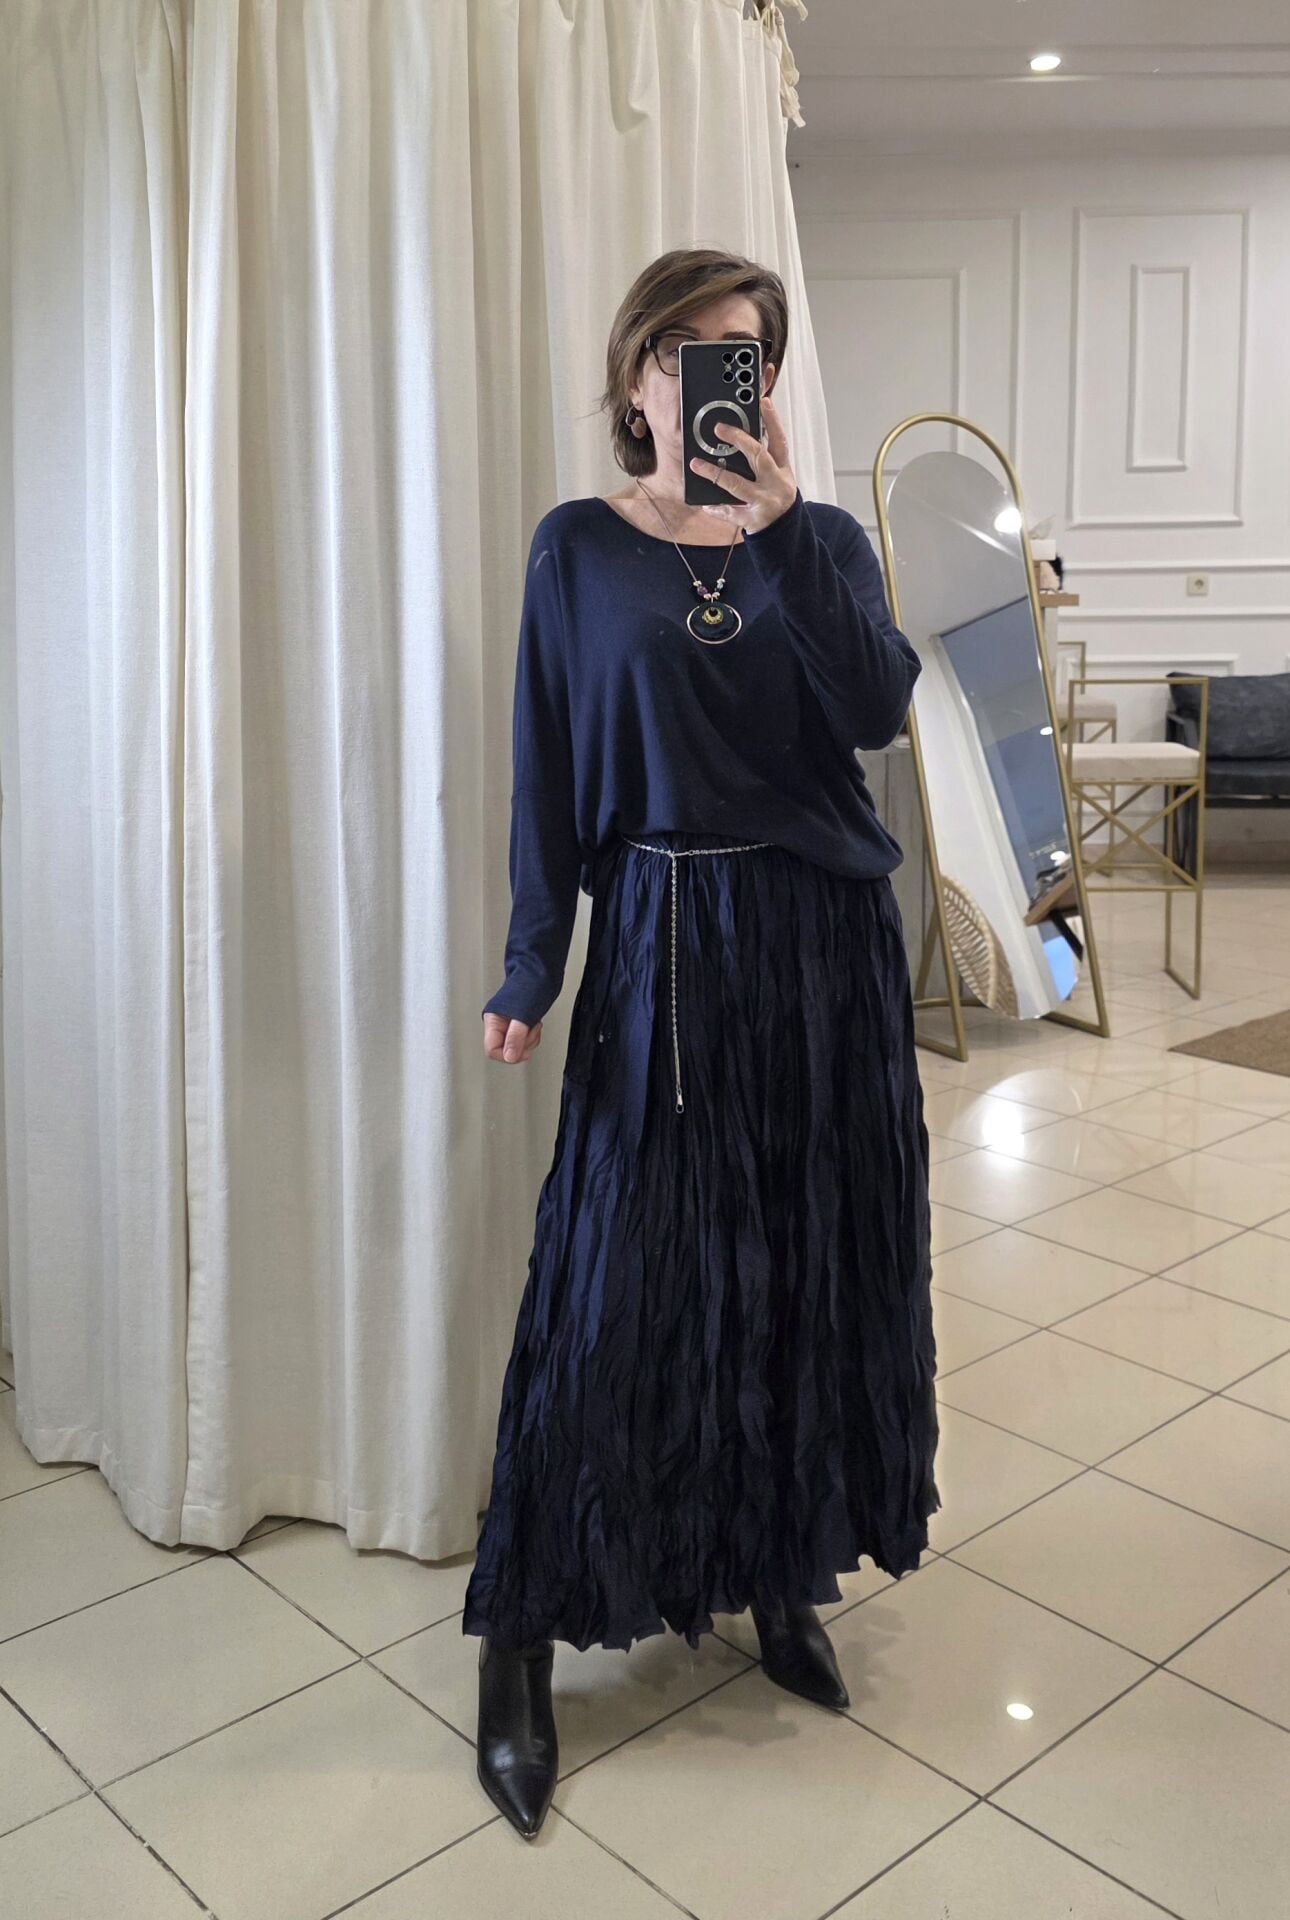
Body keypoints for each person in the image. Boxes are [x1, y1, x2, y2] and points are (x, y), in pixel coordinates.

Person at [464, 246, 941, 1841]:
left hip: (822, 956)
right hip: (664, 948)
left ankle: (780, 1573)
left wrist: (786, 531)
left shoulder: (824, 543)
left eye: (736, 353)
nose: (704, 375)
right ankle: (519, 1639)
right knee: (610, 1296)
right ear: (633, 377)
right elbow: (545, 774)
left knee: (801, 1276)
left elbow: (875, 712)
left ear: (770, 382)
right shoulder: (576, 550)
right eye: (677, 349)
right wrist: (532, 964)